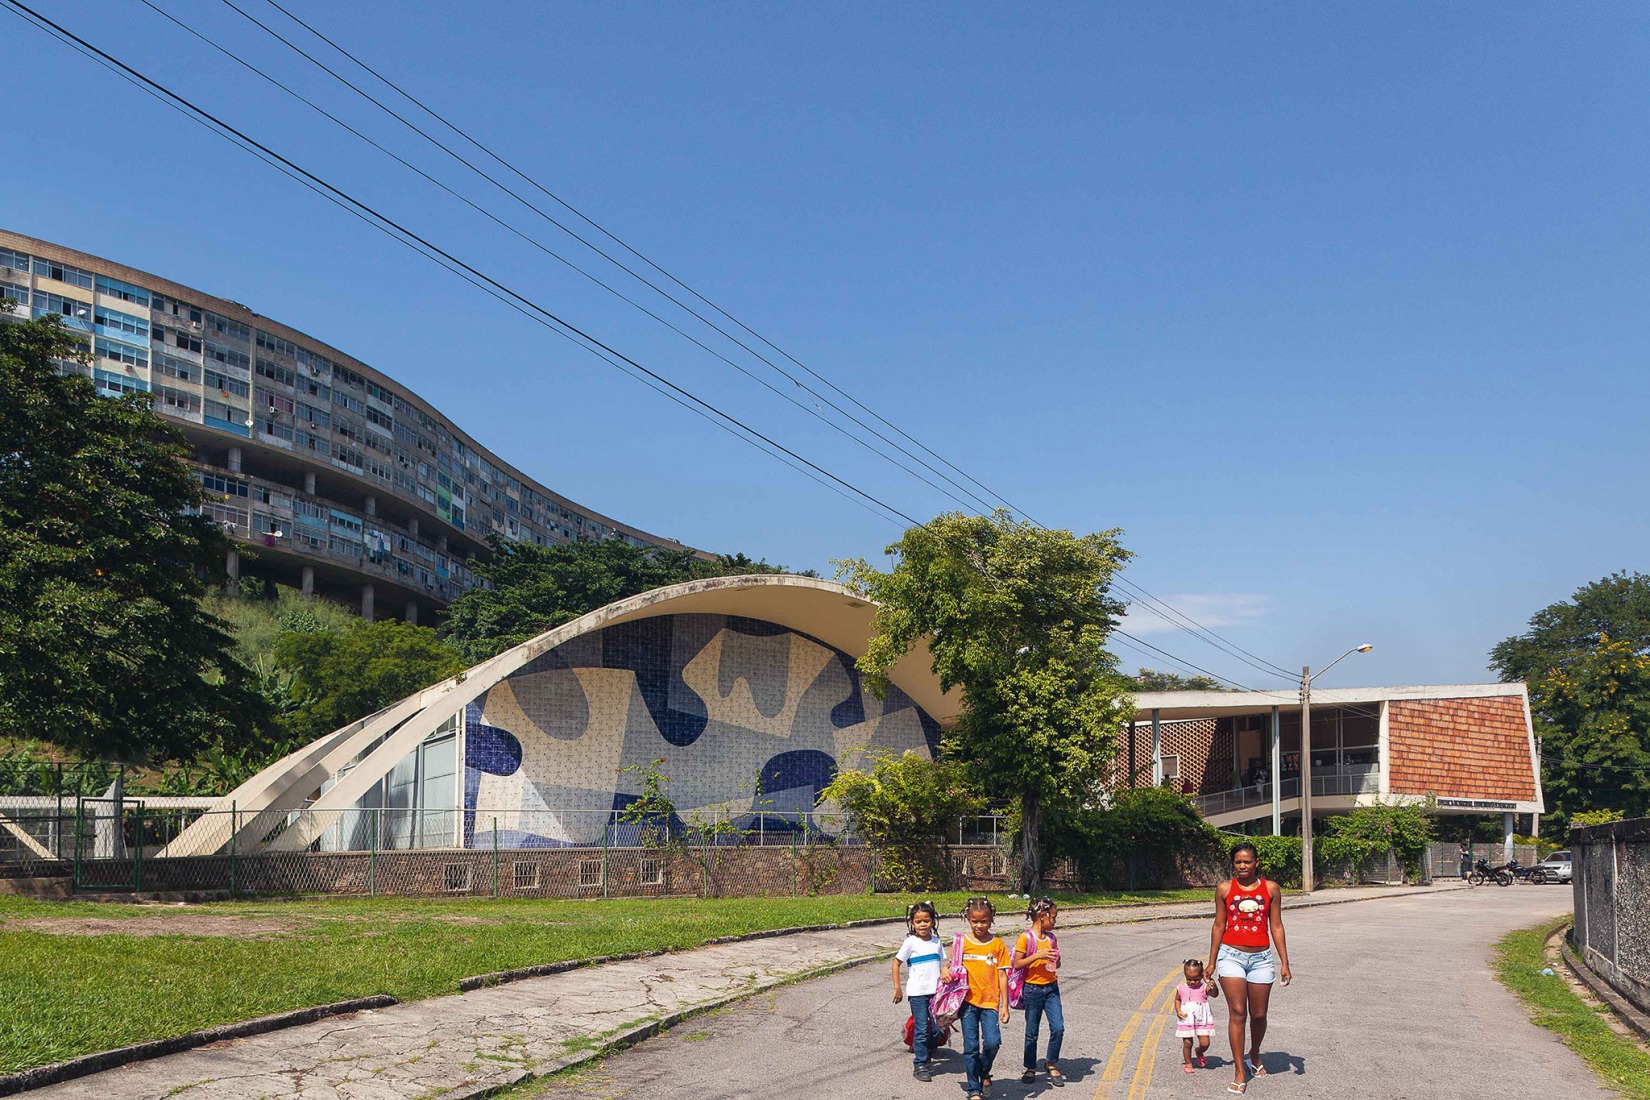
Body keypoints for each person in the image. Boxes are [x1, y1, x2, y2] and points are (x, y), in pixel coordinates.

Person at [1209, 842, 1291, 1094]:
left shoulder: (1271, 888)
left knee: (1258, 1015)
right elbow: (1218, 925)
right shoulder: (1224, 888)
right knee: (1237, 1012)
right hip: (1231, 956)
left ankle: (1254, 1053)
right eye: (1237, 862)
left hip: (1261, 959)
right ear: (1233, 864)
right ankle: (1239, 1070)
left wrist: (1285, 961)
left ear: (1257, 863)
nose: (1242, 866)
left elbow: (1276, 925)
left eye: (1247, 861)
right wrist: (1212, 962)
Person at [947, 897, 1010, 1100]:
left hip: (991, 1003)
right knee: (971, 1047)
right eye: (975, 921)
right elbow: (950, 966)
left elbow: (1002, 976)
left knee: (992, 1042)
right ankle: (974, 1089)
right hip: (967, 1003)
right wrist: (943, 970)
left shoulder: (998, 945)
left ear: (991, 919)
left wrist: (1005, 1006)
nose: (979, 925)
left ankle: (984, 1071)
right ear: (968, 919)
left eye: (984, 921)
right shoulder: (961, 943)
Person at [1012, 896, 1066, 1087]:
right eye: (1053, 917)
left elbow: (1056, 964)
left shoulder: (1051, 938)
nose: (1055, 921)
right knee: (1031, 1032)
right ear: (1042, 916)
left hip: (1051, 988)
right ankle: (1030, 1067)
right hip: (1032, 989)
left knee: (1058, 1027)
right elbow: (1017, 964)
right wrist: (1038, 955)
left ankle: (1051, 1062)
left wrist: (1055, 959)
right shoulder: (1025, 938)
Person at [893, 900, 945, 1082]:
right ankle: (920, 1063)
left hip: (936, 994)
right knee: (922, 1028)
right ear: (912, 923)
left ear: (933, 921)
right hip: (917, 994)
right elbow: (896, 963)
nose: (922, 924)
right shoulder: (910, 942)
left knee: (939, 1028)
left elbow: (942, 966)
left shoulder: (937, 942)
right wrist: (898, 988)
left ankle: (928, 1049)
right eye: (918, 921)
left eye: (926, 920)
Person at [1174, 958, 1217, 1072]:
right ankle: (1188, 1063)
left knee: (1205, 1043)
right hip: (1187, 1018)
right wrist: (1178, 1010)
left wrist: (1211, 983)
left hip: (1202, 1018)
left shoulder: (1204, 987)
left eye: (1196, 979)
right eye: (1189, 979)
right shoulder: (1181, 988)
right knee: (1187, 1042)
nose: (1192, 982)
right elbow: (1177, 1000)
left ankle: (1199, 1051)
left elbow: (1215, 994)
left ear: (1201, 976)